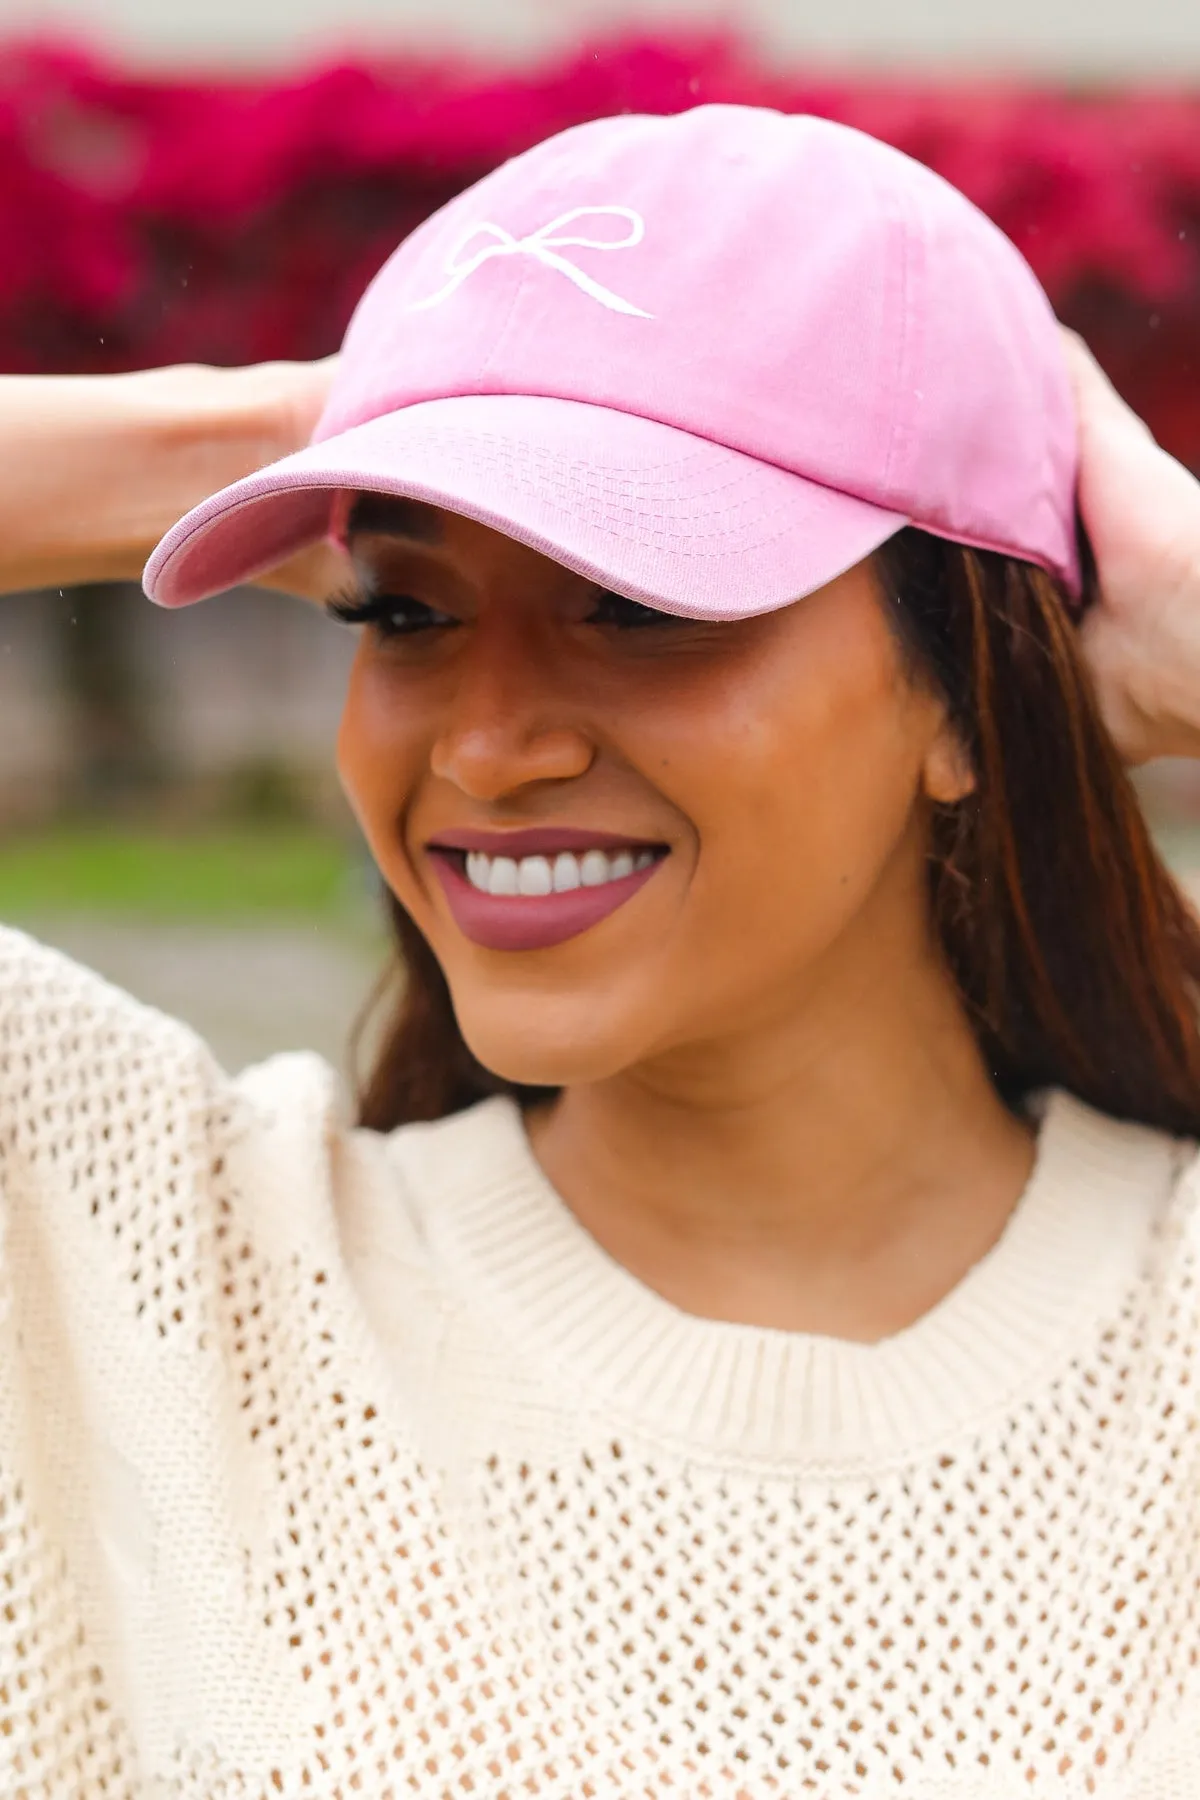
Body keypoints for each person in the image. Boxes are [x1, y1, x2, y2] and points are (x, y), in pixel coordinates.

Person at [4, 104, 1200, 1800]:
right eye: (406, 610)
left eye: (641, 602)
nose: (486, 751)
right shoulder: (137, 1258)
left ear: (968, 691)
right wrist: (307, 435)